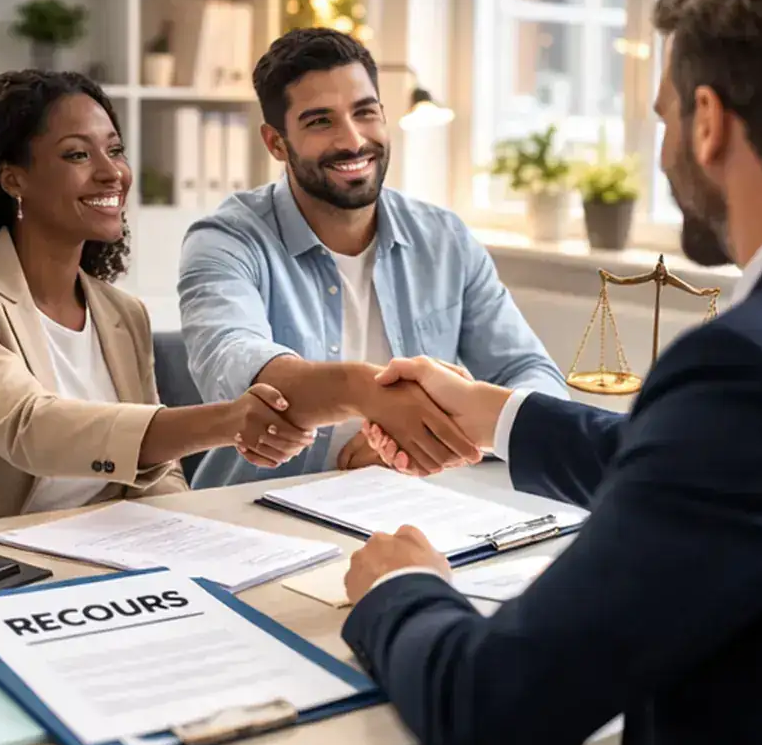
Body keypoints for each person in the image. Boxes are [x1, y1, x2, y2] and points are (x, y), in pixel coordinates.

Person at [342, 0, 762, 745]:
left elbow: (494, 706)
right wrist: (493, 413)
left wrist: (401, 588)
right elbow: (738, 480)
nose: (665, 149)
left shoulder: (750, 367)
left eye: (663, 118)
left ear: (707, 120)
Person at [0, 70, 314, 531]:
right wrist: (227, 421)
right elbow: (29, 428)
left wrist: (193, 537)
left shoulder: (122, 314)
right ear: (13, 179)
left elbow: (156, 473)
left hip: (88, 551)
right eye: (78, 154)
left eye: (116, 150)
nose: (112, 173)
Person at [177, 27, 564, 489]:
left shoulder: (444, 239)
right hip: (255, 514)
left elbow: (535, 378)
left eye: (365, 112)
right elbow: (237, 368)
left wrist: (420, 441)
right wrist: (369, 398)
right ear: (276, 143)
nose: (353, 140)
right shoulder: (225, 240)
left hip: (413, 505)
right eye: (320, 121)